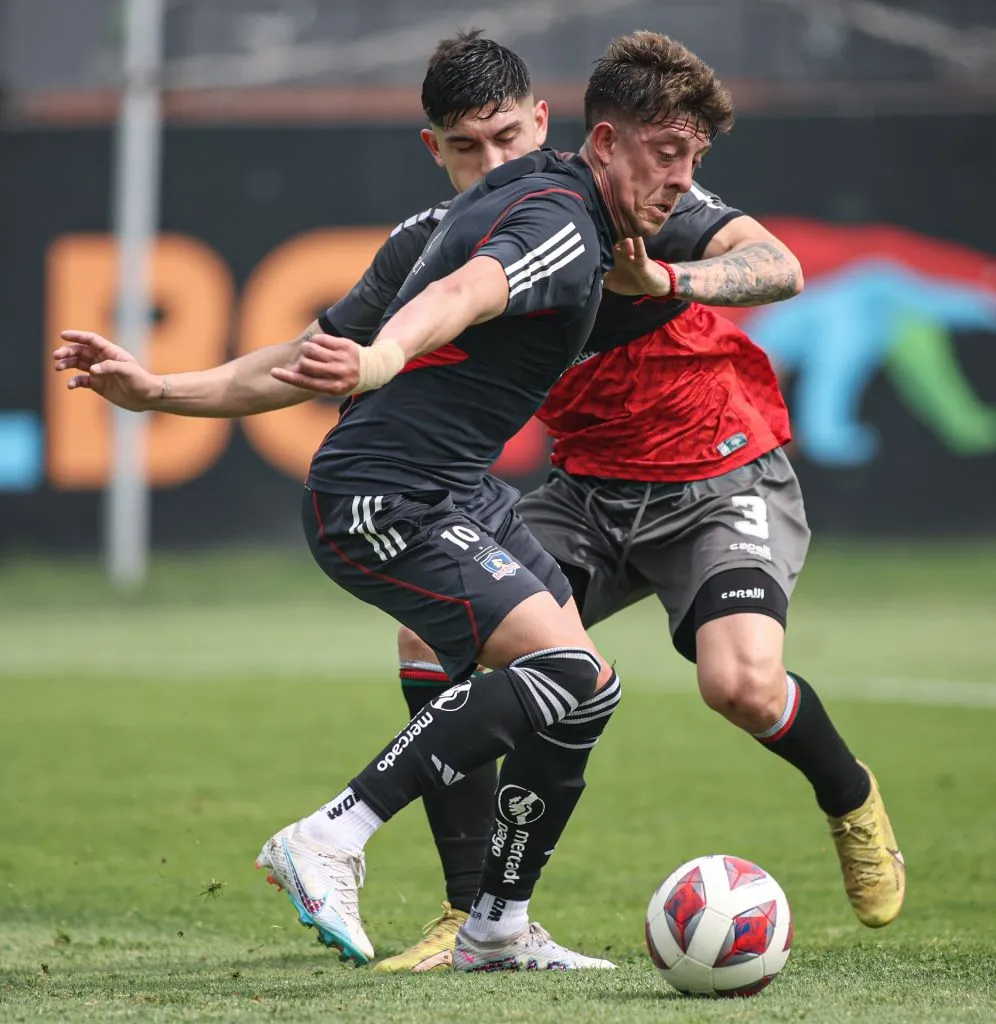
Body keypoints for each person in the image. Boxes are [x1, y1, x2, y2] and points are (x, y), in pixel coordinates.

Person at [56, 30, 741, 972]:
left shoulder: (530, 205)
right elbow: (465, 294)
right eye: (668, 157)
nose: (679, 180)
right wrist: (381, 358)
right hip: (390, 495)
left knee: (584, 691)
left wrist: (159, 392)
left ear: (543, 124)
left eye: (693, 161)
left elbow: (309, 353)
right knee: (571, 677)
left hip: (454, 488)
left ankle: (496, 926)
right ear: (606, 140)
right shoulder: (558, 221)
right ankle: (331, 835)